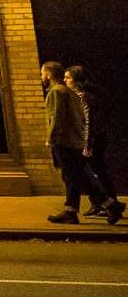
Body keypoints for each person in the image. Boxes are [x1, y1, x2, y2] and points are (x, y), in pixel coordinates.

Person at [43, 60, 122, 224]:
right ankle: (70, 211)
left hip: (64, 141)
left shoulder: (57, 92)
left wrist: (51, 138)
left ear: (49, 75)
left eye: (42, 73)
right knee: (71, 177)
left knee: (77, 177)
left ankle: (109, 204)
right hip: (74, 140)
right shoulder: (69, 92)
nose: (41, 77)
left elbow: (57, 117)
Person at [66, 66, 122, 219]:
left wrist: (87, 145)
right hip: (93, 139)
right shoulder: (78, 96)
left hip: (93, 140)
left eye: (68, 78)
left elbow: (90, 122)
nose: (65, 81)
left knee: (77, 173)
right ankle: (107, 202)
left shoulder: (83, 97)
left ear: (78, 81)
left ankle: (107, 203)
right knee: (95, 171)